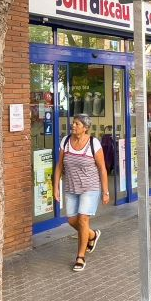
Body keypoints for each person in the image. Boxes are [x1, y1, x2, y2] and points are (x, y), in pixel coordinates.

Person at [52, 114, 109, 272]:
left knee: (83, 219)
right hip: (71, 187)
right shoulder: (66, 141)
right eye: (73, 123)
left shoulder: (93, 143)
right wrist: (56, 187)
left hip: (90, 188)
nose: (73, 126)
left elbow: (102, 169)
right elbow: (59, 166)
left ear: (85, 128)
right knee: (72, 220)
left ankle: (80, 257)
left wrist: (105, 191)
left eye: (77, 124)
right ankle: (92, 235)